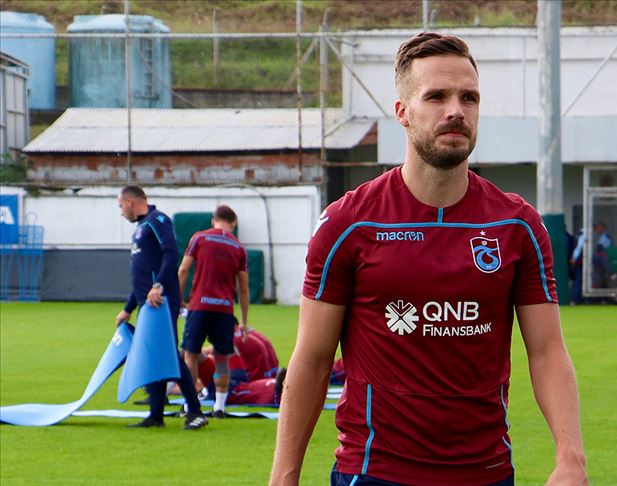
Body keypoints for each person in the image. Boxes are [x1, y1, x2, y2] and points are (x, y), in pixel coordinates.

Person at [270, 32, 588, 485]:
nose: (456, 110)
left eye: (469, 98)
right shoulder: (349, 224)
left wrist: (571, 457)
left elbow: (547, 350)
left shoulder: (517, 226)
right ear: (402, 111)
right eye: (436, 96)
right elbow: (313, 359)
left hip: (485, 474)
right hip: (374, 473)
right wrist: (283, 477)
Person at [114, 185, 208, 430]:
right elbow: (141, 276)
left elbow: (171, 254)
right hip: (148, 304)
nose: (121, 211)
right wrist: (128, 308)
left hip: (161, 302)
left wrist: (158, 286)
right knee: (152, 356)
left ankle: (195, 412)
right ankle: (156, 415)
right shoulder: (141, 228)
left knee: (168, 356)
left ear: (131, 202)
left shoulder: (158, 220)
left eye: (121, 206)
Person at [179, 205, 250, 418]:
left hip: (200, 306)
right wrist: (244, 321)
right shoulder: (238, 247)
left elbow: (183, 270)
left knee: (190, 355)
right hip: (224, 309)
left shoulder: (199, 238)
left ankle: (190, 405)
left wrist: (179, 300)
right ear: (233, 223)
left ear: (213, 220)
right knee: (221, 358)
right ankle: (219, 407)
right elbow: (243, 288)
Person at [569, 228, 586, 304]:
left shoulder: (583, 232)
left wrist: (574, 257)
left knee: (579, 280)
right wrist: (574, 258)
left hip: (582, 260)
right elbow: (579, 248)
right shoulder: (583, 233)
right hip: (581, 261)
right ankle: (575, 299)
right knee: (578, 279)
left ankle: (577, 299)